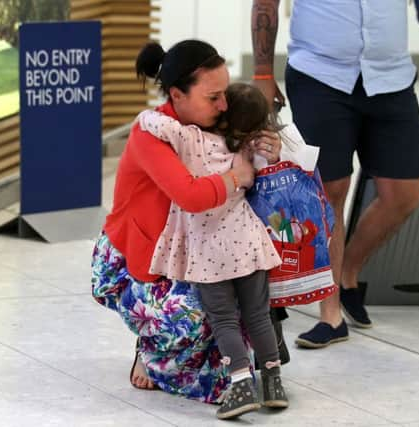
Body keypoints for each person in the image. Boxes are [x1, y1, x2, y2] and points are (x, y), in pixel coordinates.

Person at [251, 0, 419, 348]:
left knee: (405, 193)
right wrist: (263, 73)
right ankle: (331, 313)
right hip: (319, 75)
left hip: (391, 76)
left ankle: (347, 272)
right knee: (330, 192)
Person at [91, 39, 282, 403]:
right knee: (194, 316)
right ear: (177, 95)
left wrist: (266, 152)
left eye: (225, 93)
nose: (224, 105)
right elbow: (191, 196)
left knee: (234, 330)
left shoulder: (212, 121)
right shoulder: (152, 131)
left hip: (198, 250)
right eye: (213, 97)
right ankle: (149, 347)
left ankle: (172, 351)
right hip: (140, 262)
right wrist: (237, 176)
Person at [136, 81, 288, 419]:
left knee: (223, 320)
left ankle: (241, 385)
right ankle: (273, 382)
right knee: (258, 316)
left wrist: (148, 114)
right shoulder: (250, 148)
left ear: (222, 113)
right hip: (249, 243)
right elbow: (274, 164)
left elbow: (156, 123)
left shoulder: (194, 141)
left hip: (209, 252)